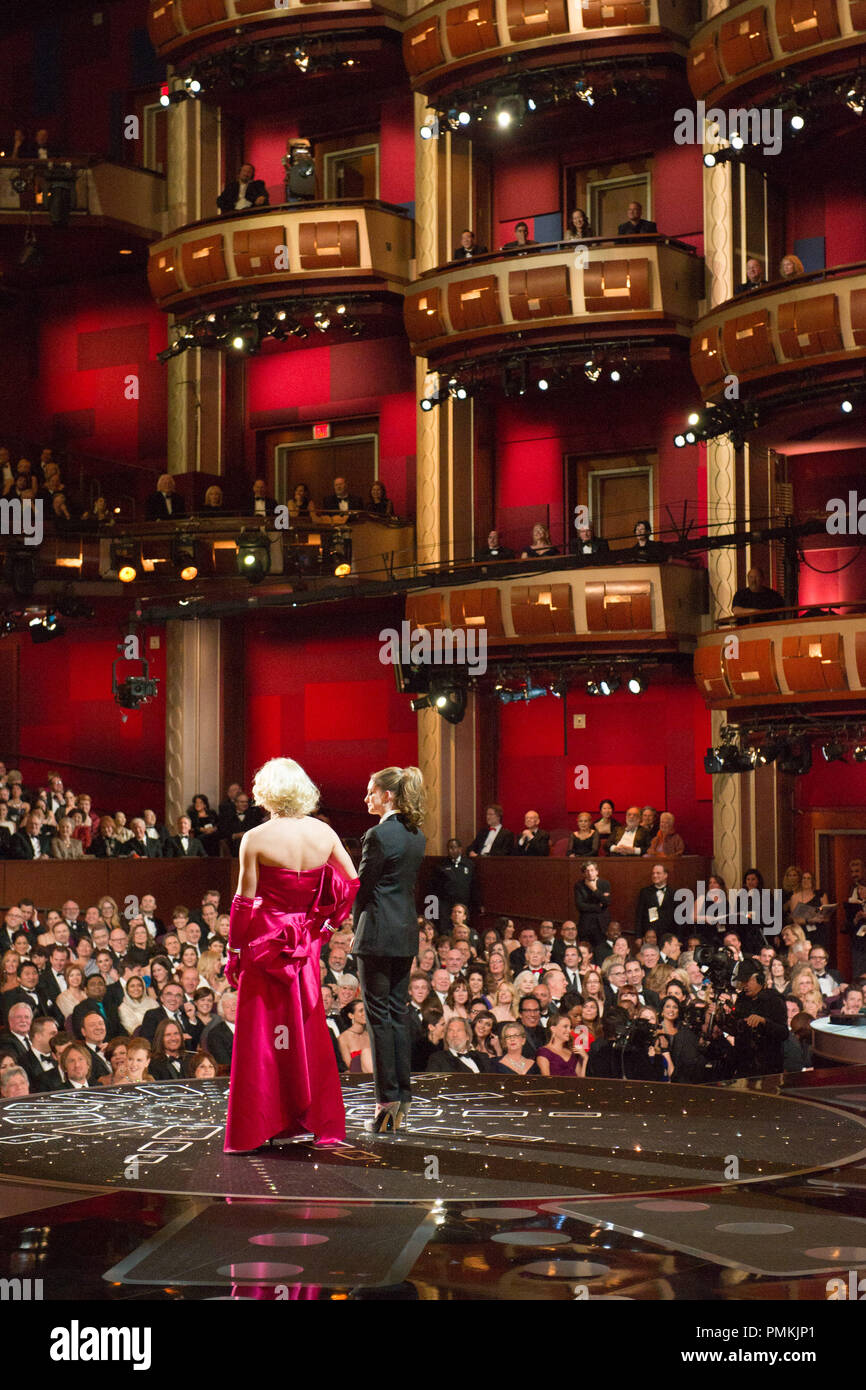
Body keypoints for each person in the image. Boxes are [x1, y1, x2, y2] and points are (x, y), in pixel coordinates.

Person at [223, 757, 359, 1154]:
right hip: (305, 946)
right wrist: (324, 927)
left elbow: (244, 903)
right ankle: (312, 1120)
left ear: (265, 792)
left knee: (263, 1037)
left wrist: (234, 952)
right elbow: (351, 884)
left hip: (264, 944)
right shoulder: (323, 833)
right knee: (305, 1031)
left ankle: (259, 1126)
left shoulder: (257, 838)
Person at [353, 766, 426, 1134]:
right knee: (397, 1015)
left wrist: (352, 926)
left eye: (371, 792)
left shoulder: (378, 835)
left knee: (378, 1018)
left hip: (377, 935)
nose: (366, 798)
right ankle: (403, 1097)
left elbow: (363, 887)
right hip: (404, 934)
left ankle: (386, 1105)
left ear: (388, 796)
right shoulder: (417, 836)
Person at [721, 957, 788, 1076]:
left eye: (747, 981)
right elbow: (736, 1029)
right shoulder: (742, 999)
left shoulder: (774, 1000)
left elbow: (783, 1033)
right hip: (744, 1064)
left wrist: (763, 1021)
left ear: (760, 980)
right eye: (741, 982)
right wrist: (723, 1018)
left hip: (768, 1066)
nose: (744, 985)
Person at [574, 861, 612, 954]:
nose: (590, 873)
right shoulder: (579, 885)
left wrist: (594, 889)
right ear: (583, 873)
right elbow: (580, 906)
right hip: (585, 924)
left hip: (601, 925)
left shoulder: (604, 884)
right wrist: (598, 907)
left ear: (597, 871)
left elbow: (607, 902)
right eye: (587, 871)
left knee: (600, 951)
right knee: (584, 951)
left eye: (592, 870)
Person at [537, 1011, 586, 1076]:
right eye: (565, 1026)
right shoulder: (544, 1052)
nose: (569, 1030)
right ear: (553, 1029)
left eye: (570, 1027)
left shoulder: (572, 1052)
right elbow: (546, 1081)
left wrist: (585, 1058)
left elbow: (582, 1081)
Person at [636, 863, 677, 936]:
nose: (655, 876)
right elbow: (639, 915)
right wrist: (638, 936)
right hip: (650, 934)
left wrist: (678, 938)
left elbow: (677, 918)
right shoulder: (645, 892)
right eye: (653, 873)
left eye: (658, 873)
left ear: (665, 875)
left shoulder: (674, 893)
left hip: (669, 934)